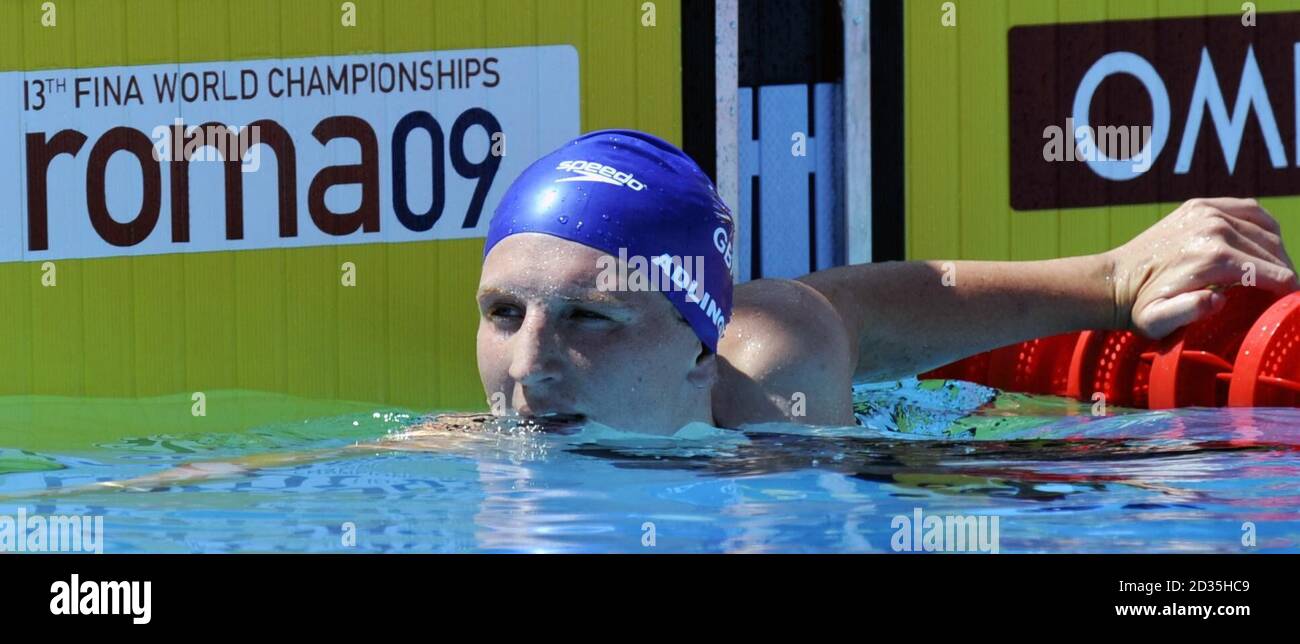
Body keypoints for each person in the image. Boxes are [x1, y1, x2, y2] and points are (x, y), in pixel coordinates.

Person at [477, 129, 1297, 434]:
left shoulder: (771, 374)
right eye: (504, 312)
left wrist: (1118, 282)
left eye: (588, 315)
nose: (527, 366)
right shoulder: (467, 459)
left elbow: (867, 306)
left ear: (702, 345)